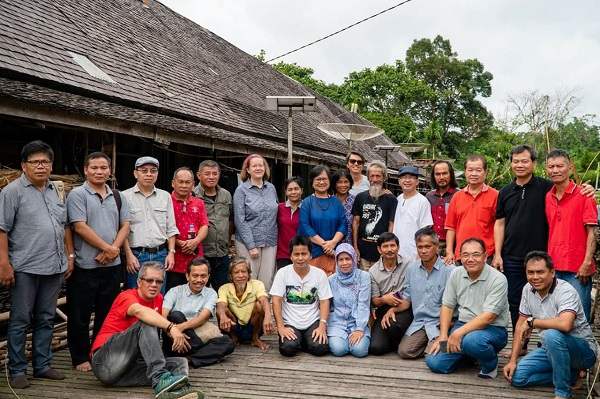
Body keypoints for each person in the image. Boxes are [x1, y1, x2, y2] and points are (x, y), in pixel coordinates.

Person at [0, 140, 75, 389]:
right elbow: (2, 230)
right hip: (24, 267)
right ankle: (17, 369)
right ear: (24, 165)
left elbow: (63, 225)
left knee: (45, 318)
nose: (41, 166)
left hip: (53, 266)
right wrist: (4, 264)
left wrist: (68, 256)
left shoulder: (55, 189)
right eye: (35, 162)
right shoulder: (12, 192)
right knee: (20, 320)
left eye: (45, 162)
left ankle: (42, 365)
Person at [90, 261, 204, 399]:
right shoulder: (126, 296)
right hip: (104, 362)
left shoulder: (159, 299)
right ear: (139, 281)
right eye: (149, 280)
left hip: (125, 372)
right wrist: (171, 327)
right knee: (145, 323)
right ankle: (160, 377)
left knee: (179, 363)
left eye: (159, 281)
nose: (154, 284)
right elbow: (139, 312)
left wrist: (173, 332)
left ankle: (177, 392)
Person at [66, 152, 131, 372]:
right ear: (85, 170)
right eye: (94, 167)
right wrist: (108, 248)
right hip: (86, 264)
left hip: (111, 267)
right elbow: (79, 226)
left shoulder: (117, 195)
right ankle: (80, 356)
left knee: (107, 313)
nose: (99, 171)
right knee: (79, 313)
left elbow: (125, 225)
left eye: (103, 168)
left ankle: (100, 351)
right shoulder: (77, 195)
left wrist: (113, 250)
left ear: (110, 171)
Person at [503, 251, 597, 399]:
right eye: (530, 272)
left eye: (540, 272)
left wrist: (533, 322)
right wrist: (512, 361)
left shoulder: (565, 291)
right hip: (551, 349)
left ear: (552, 272)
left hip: (582, 351)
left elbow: (565, 324)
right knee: (517, 377)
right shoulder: (527, 289)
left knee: (551, 334)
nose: (535, 277)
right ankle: (571, 376)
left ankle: (563, 392)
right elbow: (520, 327)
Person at [426, 238, 509, 378]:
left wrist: (457, 334)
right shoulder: (456, 273)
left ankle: (490, 364)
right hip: (462, 325)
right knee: (434, 362)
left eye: (476, 254)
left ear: (485, 256)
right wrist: (443, 335)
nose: (470, 259)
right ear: (460, 256)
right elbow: (447, 305)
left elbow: (489, 317)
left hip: (493, 329)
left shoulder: (498, 279)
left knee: (472, 341)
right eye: (465, 255)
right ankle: (470, 355)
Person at [545, 149, 598, 321]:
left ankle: (584, 347)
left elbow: (592, 232)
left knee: (579, 313)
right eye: (551, 166)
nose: (555, 170)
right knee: (555, 311)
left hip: (578, 267)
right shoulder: (548, 197)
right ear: (546, 170)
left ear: (569, 168)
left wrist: (586, 262)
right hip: (553, 265)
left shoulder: (584, 195)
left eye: (560, 166)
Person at [161, 258, 235, 368]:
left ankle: (187, 359)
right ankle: (202, 354)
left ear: (208, 277)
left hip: (198, 336)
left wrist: (180, 328)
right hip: (173, 340)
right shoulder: (174, 291)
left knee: (228, 343)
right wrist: (173, 331)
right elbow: (162, 316)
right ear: (187, 276)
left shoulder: (211, 294)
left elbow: (202, 318)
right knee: (176, 315)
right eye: (195, 276)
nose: (199, 280)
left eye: (203, 276)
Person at [122, 156, 179, 295]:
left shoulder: (165, 196)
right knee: (135, 296)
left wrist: (171, 253)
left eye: (153, 171)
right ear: (136, 173)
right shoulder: (124, 197)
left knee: (158, 296)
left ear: (157, 174)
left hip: (161, 255)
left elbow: (171, 228)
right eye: (144, 170)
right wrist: (129, 255)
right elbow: (122, 230)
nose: (149, 174)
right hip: (136, 256)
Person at [396, 228, 455, 359]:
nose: (423, 251)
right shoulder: (411, 269)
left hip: (444, 325)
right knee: (404, 351)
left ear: (437, 245)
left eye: (427, 246)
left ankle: (440, 347)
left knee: (439, 356)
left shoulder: (450, 270)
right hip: (420, 322)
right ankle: (429, 346)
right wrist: (392, 310)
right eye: (420, 247)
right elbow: (407, 297)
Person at [270, 235, 333, 357]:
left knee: (320, 348)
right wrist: (281, 327)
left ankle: (304, 341)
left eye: (304, 254)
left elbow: (325, 301)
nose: (300, 258)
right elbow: (276, 300)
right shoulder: (283, 273)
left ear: (310, 255)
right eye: (296, 254)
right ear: (290, 256)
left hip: (312, 321)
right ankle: (301, 341)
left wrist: (322, 325)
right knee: (287, 349)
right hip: (291, 322)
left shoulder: (319, 274)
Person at [233, 154, 278, 291]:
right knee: (249, 280)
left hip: (270, 240)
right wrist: (251, 245)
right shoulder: (241, 190)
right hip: (248, 242)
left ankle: (263, 311)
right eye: (254, 166)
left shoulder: (271, 188)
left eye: (261, 165)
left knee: (267, 281)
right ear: (247, 169)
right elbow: (239, 219)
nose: (258, 168)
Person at [444, 155, 498, 265]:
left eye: (478, 170)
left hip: (486, 255)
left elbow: (500, 227)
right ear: (465, 172)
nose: (474, 174)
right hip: (461, 255)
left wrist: (497, 254)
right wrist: (449, 251)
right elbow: (451, 227)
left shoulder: (496, 196)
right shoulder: (457, 197)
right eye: (470, 170)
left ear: (485, 172)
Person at [368, 232, 413, 356]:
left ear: (398, 247)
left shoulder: (409, 264)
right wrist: (384, 299)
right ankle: (397, 343)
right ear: (379, 249)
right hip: (383, 309)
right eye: (385, 246)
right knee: (376, 348)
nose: (389, 250)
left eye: (392, 246)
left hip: (405, 306)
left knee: (394, 325)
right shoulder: (373, 271)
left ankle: (405, 342)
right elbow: (375, 301)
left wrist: (393, 309)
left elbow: (412, 294)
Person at [216, 257, 275, 350]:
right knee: (223, 310)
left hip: (252, 325)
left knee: (259, 305)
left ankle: (255, 338)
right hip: (234, 325)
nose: (240, 275)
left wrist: (268, 317)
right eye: (236, 272)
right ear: (231, 276)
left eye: (244, 271)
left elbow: (264, 299)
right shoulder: (224, 288)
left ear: (248, 274)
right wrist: (223, 316)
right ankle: (234, 338)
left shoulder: (257, 284)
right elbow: (220, 304)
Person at [298, 165, 346, 276]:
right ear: (312, 181)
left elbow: (343, 224)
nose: (321, 182)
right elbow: (305, 227)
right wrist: (325, 245)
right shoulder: (307, 202)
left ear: (329, 181)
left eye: (324, 179)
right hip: (314, 252)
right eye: (318, 179)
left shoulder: (336, 202)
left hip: (335, 252)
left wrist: (333, 243)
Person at [192, 160, 233, 292]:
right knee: (200, 291)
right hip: (201, 253)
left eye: (215, 174)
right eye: (207, 173)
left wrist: (227, 242)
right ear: (199, 175)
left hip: (222, 253)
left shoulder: (226, 195)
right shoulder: (193, 195)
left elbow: (230, 220)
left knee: (224, 292)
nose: (211, 177)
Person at [167, 167, 209, 293]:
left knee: (195, 291)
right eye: (180, 182)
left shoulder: (199, 203)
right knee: (173, 293)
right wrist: (180, 243)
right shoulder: (166, 201)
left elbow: (204, 225)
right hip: (173, 256)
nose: (184, 185)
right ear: (173, 183)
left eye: (188, 182)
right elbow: (163, 227)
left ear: (193, 184)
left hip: (195, 255)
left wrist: (195, 241)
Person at [327, 243, 371, 357]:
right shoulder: (331, 280)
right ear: (336, 261)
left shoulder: (363, 277)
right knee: (339, 350)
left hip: (357, 322)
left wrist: (360, 328)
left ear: (354, 259)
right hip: (337, 323)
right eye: (340, 259)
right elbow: (328, 306)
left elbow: (363, 303)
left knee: (359, 350)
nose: (344, 263)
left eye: (348, 259)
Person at [352, 160, 398, 271]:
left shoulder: (391, 199)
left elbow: (391, 224)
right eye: (372, 176)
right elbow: (355, 223)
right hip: (363, 253)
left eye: (378, 176)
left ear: (384, 178)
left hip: (382, 254)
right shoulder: (360, 197)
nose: (375, 179)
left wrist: (387, 249)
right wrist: (355, 248)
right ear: (367, 178)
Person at [392, 166, 433, 260]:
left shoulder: (422, 201)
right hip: (397, 253)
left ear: (417, 181)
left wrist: (419, 255)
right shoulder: (398, 199)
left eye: (411, 177)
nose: (407, 180)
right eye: (404, 177)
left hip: (413, 254)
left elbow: (425, 229)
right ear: (399, 181)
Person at [425, 160, 458, 256]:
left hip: (454, 244)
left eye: (444, 173)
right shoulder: (429, 196)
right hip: (434, 244)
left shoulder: (459, 195)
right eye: (438, 174)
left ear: (451, 175)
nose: (441, 177)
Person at [276, 177, 303, 270]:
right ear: (286, 192)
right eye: (290, 189)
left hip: (302, 253)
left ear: (302, 190)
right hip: (283, 254)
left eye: (296, 189)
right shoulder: (279, 208)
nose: (293, 192)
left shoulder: (307, 208)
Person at [331, 169, 355, 245]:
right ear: (334, 184)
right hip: (331, 244)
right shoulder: (328, 201)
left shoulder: (355, 200)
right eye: (339, 182)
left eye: (346, 182)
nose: (343, 185)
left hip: (350, 244)